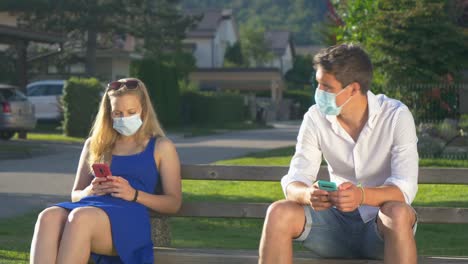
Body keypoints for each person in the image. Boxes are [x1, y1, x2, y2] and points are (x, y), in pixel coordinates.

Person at [258, 44, 419, 264]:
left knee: (398, 212)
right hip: (332, 228)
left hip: (381, 229)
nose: (319, 93)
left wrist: (360, 196)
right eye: (318, 84)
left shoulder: (396, 115)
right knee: (278, 212)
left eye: (326, 87)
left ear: (353, 89)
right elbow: (294, 180)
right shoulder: (315, 118)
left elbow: (404, 189)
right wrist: (307, 195)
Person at [30, 78, 182, 264]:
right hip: (90, 208)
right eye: (117, 113)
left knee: (80, 217)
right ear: (109, 113)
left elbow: (174, 203)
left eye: (131, 112)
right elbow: (76, 195)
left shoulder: (161, 146)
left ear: (144, 109)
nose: (124, 118)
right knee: (48, 216)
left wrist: (133, 194)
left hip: (128, 218)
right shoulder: (95, 145)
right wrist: (89, 191)